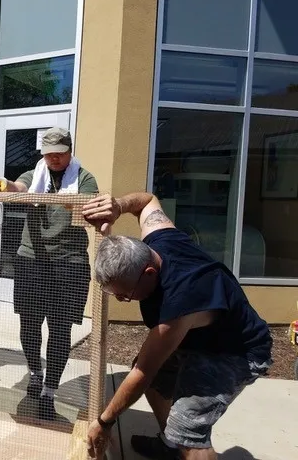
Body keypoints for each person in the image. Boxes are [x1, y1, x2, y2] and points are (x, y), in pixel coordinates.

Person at [81, 192, 273, 460]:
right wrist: (118, 207)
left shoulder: (179, 301)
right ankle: (170, 447)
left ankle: (181, 445)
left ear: (148, 272)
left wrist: (104, 422)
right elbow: (147, 200)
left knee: (188, 432)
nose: (124, 301)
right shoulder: (161, 238)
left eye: (125, 294)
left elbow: (142, 372)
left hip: (236, 352)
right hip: (201, 337)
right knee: (159, 383)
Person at [0, 127, 98, 420]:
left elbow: (86, 210)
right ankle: (35, 371)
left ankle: (50, 389)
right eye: (49, 153)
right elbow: (20, 189)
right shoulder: (34, 174)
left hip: (68, 262)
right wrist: (5, 186)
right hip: (31, 259)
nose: (54, 158)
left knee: (60, 329)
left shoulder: (84, 179)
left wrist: (64, 198)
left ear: (69, 151)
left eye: (59, 152)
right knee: (30, 324)